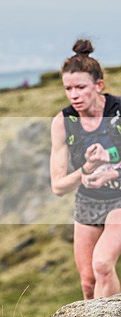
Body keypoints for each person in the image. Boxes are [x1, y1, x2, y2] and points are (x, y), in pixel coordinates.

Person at [50, 39, 121, 300]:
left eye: (80, 87)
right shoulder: (63, 122)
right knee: (88, 283)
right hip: (89, 202)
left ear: (98, 85)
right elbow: (58, 186)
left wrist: (114, 171)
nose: (74, 95)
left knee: (102, 264)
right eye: (68, 88)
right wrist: (87, 170)